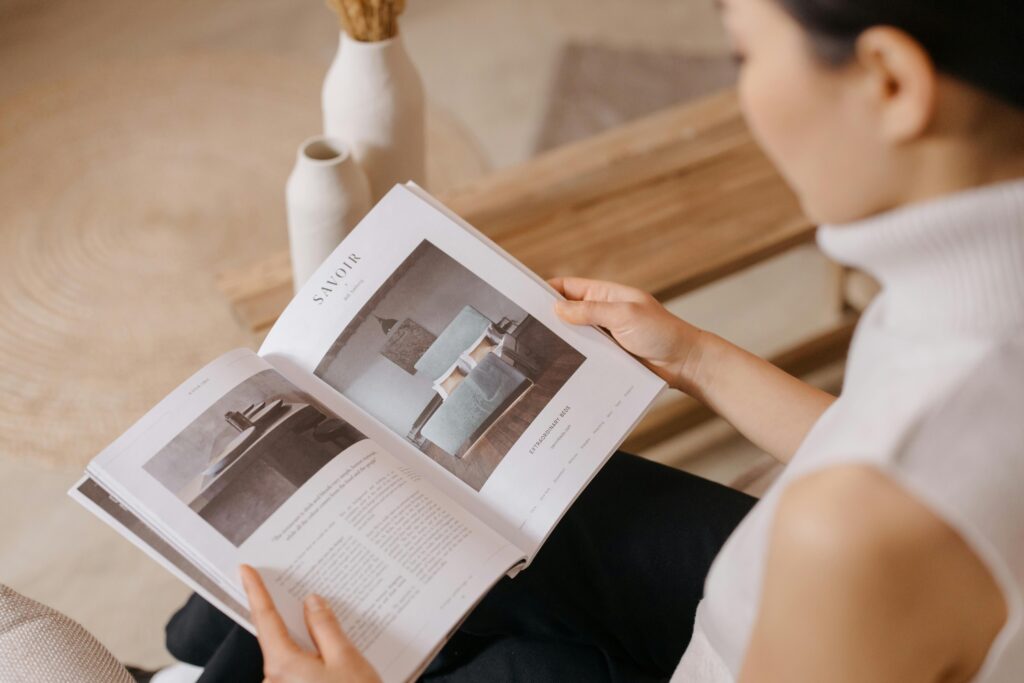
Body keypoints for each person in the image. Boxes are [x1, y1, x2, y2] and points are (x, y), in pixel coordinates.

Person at [167, 0, 1024, 680]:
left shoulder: (861, 527)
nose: (743, 97)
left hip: (772, 633)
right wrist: (692, 356)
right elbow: (897, 433)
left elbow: (903, 470)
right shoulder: (970, 300)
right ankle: (209, 642)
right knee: (484, 504)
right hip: (782, 607)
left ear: (889, 80)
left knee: (505, 657)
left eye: (745, 54)